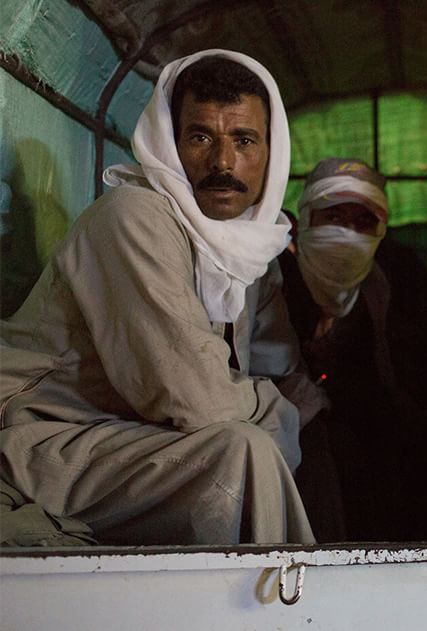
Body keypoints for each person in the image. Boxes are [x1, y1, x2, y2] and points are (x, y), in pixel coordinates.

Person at [0, 51, 324, 546]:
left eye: (243, 140)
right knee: (242, 450)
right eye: (200, 137)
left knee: (309, 442)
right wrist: (275, 406)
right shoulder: (134, 217)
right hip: (40, 441)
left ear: (271, 152)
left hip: (127, 439)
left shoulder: (247, 247)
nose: (222, 162)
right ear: (169, 144)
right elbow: (200, 401)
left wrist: (278, 402)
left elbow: (277, 365)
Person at [280, 157, 427, 541]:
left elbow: (426, 364)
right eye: (334, 216)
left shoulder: (396, 275)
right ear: (305, 220)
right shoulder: (271, 274)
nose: (348, 233)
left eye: (363, 221)